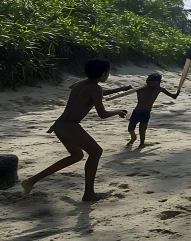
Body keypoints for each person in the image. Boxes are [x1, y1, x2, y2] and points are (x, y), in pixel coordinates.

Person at [21, 59, 129, 201]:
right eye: (108, 73)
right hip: (70, 126)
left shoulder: (79, 84)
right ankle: (89, 194)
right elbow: (102, 114)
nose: (108, 75)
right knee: (96, 152)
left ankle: (31, 181)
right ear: (103, 73)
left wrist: (120, 89)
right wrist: (117, 111)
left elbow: (94, 93)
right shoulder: (95, 88)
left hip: (59, 125)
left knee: (76, 156)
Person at [127, 73, 181, 148]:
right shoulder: (141, 89)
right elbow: (131, 90)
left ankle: (142, 143)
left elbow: (174, 97)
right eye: (149, 83)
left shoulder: (160, 89)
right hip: (137, 111)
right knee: (130, 128)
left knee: (142, 129)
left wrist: (178, 92)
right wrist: (128, 88)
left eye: (152, 83)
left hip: (146, 112)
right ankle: (133, 138)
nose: (150, 85)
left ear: (158, 82)